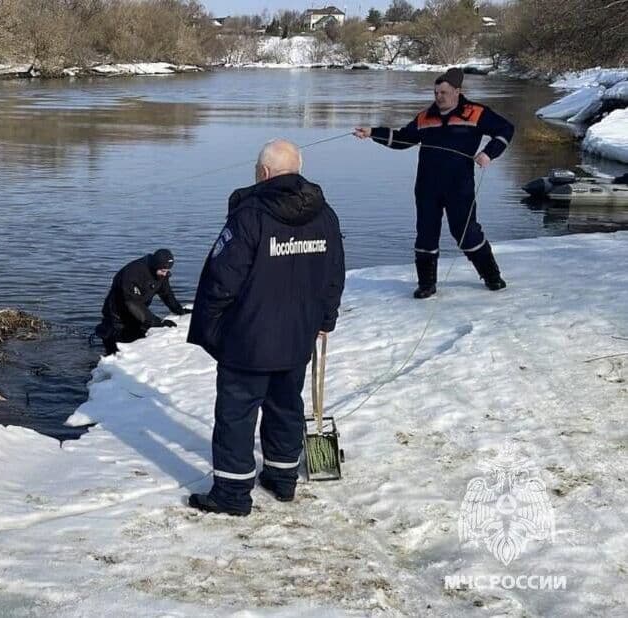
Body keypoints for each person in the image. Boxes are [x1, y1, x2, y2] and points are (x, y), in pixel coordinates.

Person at [186, 139, 345, 515]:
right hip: (297, 336)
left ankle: (232, 493)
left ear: (264, 173)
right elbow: (334, 274)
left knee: (237, 414)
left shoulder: (250, 215)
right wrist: (325, 320)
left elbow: (220, 279)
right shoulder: (326, 214)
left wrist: (211, 329)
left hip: (249, 338)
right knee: (286, 406)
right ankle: (282, 477)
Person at [354, 67, 514, 298]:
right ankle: (426, 285)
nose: (438, 97)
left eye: (444, 93)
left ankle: (492, 276)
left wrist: (489, 153)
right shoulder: (425, 116)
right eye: (436, 92)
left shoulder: (476, 112)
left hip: (460, 187)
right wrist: (372, 133)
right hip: (427, 187)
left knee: (466, 233)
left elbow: (506, 129)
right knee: (426, 234)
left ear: (457, 91)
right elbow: (403, 138)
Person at [95, 249, 189, 355]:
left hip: (136, 313)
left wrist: (179, 310)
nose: (165, 274)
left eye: (167, 271)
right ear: (155, 265)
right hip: (117, 314)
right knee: (116, 348)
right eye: (163, 271)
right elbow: (131, 303)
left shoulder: (160, 274)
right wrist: (157, 322)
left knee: (136, 339)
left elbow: (166, 294)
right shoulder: (133, 272)